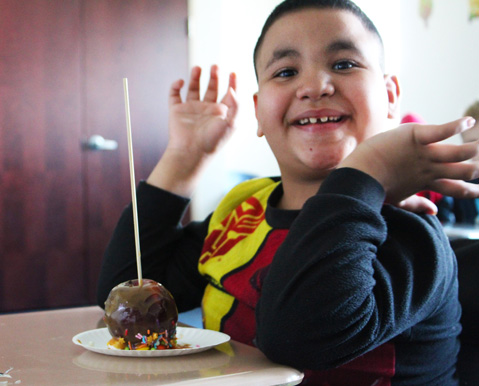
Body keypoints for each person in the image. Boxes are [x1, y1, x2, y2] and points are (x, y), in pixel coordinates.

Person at [97, 0, 479, 384]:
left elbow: (296, 340)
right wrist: (183, 159)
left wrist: (365, 172)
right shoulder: (243, 209)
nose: (314, 86)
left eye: (344, 64)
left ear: (390, 95)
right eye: (286, 71)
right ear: (260, 111)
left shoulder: (410, 232)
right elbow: (129, 301)